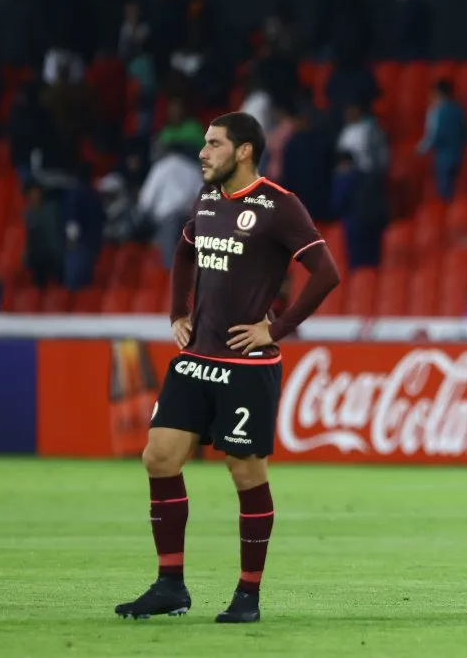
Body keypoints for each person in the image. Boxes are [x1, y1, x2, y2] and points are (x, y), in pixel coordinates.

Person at [114, 113, 342, 624]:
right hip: (196, 358)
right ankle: (170, 584)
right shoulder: (209, 199)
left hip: (246, 365)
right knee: (158, 457)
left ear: (243, 151)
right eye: (204, 144)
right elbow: (184, 250)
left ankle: (247, 595)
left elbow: (327, 273)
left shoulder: (279, 205)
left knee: (244, 471)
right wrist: (177, 311)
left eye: (213, 144)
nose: (203, 152)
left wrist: (276, 328)